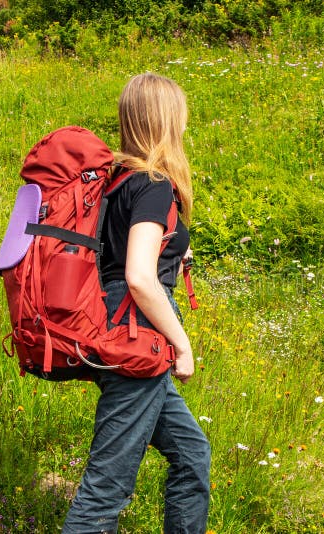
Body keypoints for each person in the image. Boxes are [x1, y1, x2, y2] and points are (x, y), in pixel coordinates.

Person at [62, 73, 210, 534]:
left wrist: (175, 248)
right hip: (137, 332)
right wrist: (182, 343)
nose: (184, 126)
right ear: (165, 121)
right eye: (180, 117)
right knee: (106, 487)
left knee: (192, 453)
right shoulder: (152, 184)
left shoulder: (115, 183)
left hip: (114, 321)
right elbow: (140, 277)